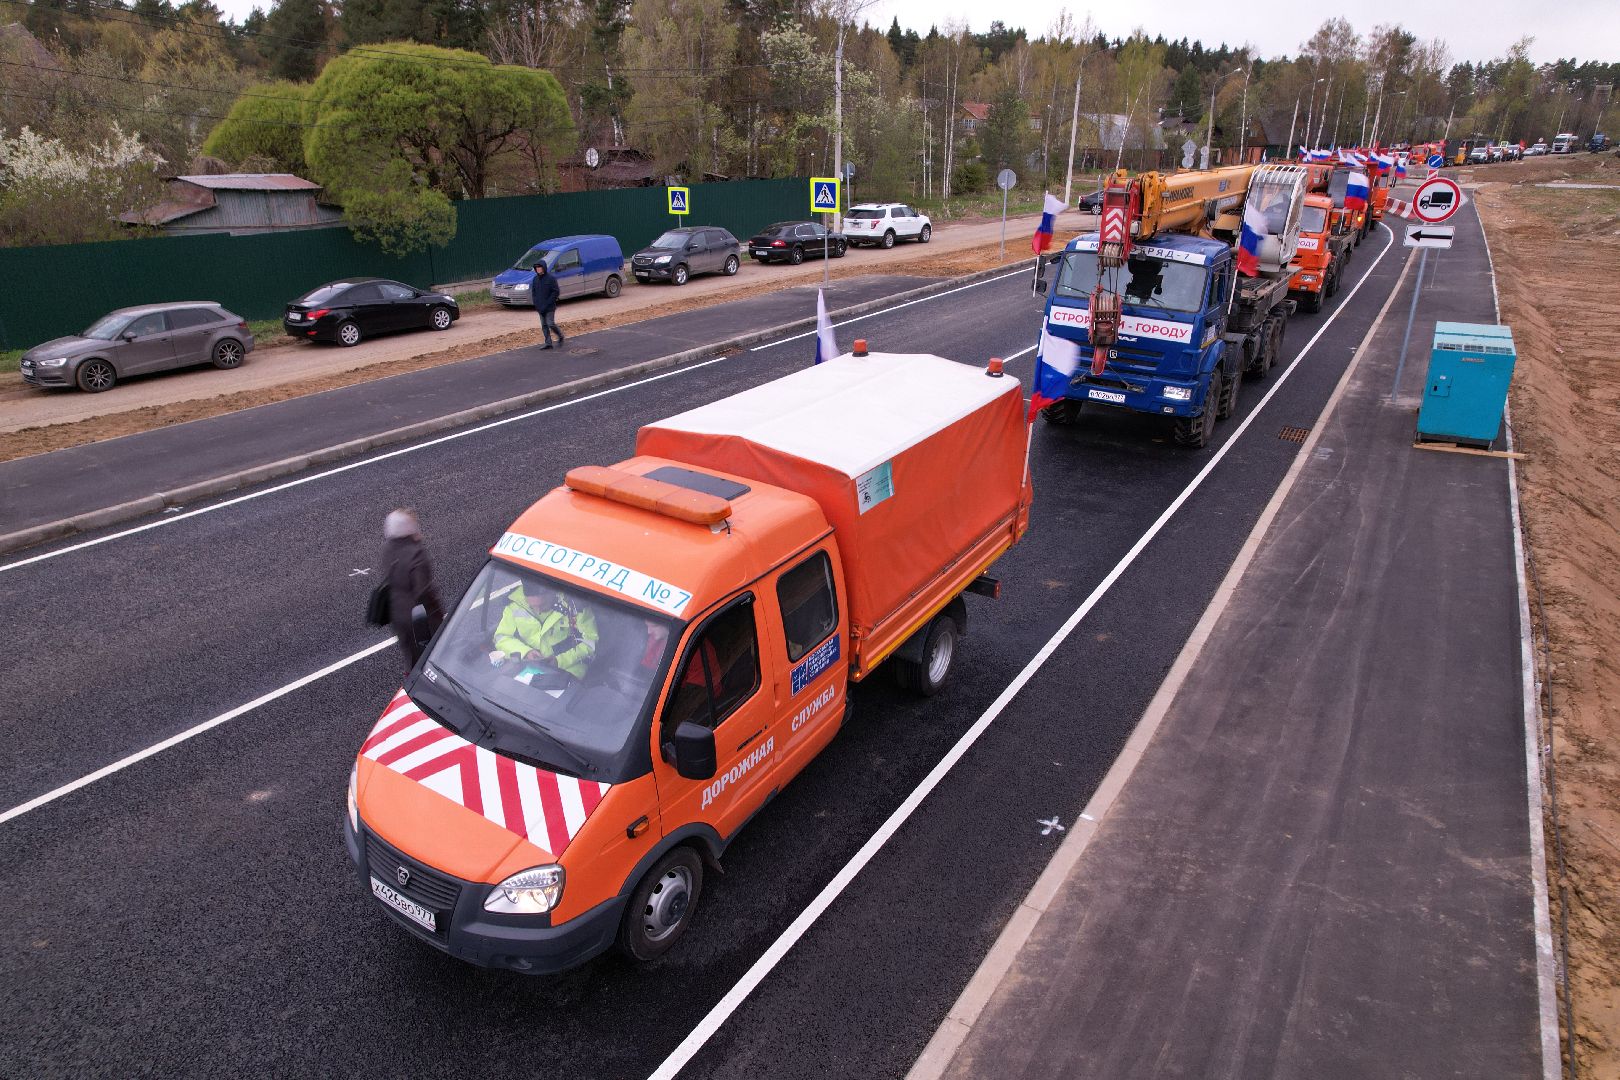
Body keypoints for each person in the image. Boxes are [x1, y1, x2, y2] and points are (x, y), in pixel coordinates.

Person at [490, 584, 598, 679]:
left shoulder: (575, 605)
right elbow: (501, 637)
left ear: (553, 593)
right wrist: (526, 652)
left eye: (543, 605)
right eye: (532, 607)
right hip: (528, 667)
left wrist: (559, 661)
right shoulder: (514, 604)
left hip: (569, 667)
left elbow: (591, 642)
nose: (538, 611)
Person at [382, 508, 444, 671]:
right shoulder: (417, 554)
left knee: (409, 653)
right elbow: (423, 591)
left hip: (397, 613)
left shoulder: (388, 548)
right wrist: (437, 613)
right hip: (419, 618)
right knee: (433, 652)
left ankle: (410, 676)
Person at [532, 260, 563, 350]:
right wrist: (536, 304)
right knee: (544, 325)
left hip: (549, 307)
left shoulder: (551, 278)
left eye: (539, 267)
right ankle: (548, 343)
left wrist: (548, 303)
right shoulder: (535, 279)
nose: (538, 269)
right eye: (536, 267)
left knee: (550, 323)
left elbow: (556, 292)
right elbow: (534, 293)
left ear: (544, 268)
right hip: (540, 307)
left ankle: (560, 335)